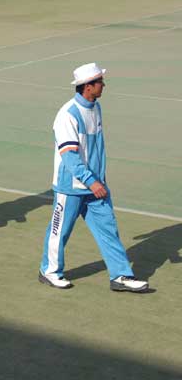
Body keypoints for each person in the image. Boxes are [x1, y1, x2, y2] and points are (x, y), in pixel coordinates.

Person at [39, 63, 148, 293]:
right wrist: (91, 181)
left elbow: (95, 150)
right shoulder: (67, 115)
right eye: (100, 82)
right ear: (88, 86)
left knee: (109, 230)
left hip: (96, 186)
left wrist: (99, 181)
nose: (103, 85)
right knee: (60, 232)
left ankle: (121, 276)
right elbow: (70, 158)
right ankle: (49, 271)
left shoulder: (96, 108)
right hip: (71, 188)